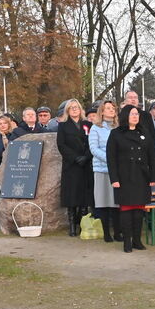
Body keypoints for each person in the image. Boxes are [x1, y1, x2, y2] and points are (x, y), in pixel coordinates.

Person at [108, 105, 155, 252]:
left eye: (137, 114)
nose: (135, 116)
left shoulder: (144, 133)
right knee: (126, 210)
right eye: (132, 114)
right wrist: (114, 179)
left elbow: (152, 157)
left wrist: (153, 177)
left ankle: (137, 240)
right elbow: (111, 158)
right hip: (124, 177)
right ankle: (127, 242)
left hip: (141, 176)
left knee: (138, 211)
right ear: (125, 116)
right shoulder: (116, 134)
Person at [56, 98, 94, 236]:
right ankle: (72, 226)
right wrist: (75, 158)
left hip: (85, 165)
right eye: (71, 107)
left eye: (76, 107)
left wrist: (86, 156)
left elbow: (92, 143)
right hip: (71, 165)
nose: (74, 109)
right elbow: (61, 145)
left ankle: (83, 225)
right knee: (71, 196)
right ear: (67, 110)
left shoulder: (88, 124)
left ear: (80, 109)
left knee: (84, 197)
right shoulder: (63, 125)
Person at [89, 100, 120, 242]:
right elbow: (94, 149)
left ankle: (118, 232)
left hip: (118, 171)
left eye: (113, 108)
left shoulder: (119, 127)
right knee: (103, 201)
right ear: (101, 111)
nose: (111, 110)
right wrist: (110, 159)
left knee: (116, 202)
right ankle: (106, 233)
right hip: (102, 169)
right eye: (108, 108)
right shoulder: (95, 128)